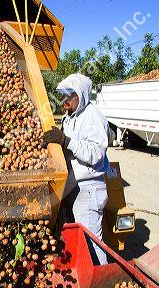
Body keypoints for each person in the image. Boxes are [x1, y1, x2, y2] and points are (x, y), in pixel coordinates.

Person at [42, 73, 110, 265]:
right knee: (76, 239)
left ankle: (100, 279)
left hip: (88, 189)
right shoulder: (69, 117)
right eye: (62, 94)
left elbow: (96, 152)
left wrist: (66, 141)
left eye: (69, 94)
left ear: (81, 94)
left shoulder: (93, 117)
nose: (64, 99)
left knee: (91, 242)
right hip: (72, 187)